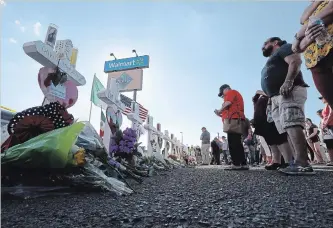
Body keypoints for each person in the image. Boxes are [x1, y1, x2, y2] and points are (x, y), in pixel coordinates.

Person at [261, 37, 313, 175]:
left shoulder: (284, 48)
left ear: (275, 42)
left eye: (265, 43)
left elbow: (295, 61)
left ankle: (303, 163)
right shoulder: (272, 59)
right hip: (276, 97)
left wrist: (288, 81)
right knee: (286, 129)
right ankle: (295, 161)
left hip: (289, 90)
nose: (263, 46)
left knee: (292, 124)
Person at [292, 1, 333, 109]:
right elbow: (302, 19)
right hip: (315, 63)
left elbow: (330, 9)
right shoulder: (314, 5)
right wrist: (303, 40)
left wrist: (299, 35)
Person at [251, 91, 292, 171]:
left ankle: (288, 162)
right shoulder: (258, 99)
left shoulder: (270, 94)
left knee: (280, 140)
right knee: (271, 142)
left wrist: (262, 93)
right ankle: (276, 162)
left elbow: (276, 97)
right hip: (263, 122)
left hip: (272, 119)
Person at [214, 84, 248, 170]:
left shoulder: (231, 92)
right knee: (237, 142)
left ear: (226, 89)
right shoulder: (234, 95)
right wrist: (219, 113)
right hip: (235, 119)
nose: (223, 96)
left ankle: (236, 163)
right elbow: (229, 110)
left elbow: (228, 103)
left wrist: (219, 110)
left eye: (222, 94)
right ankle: (243, 163)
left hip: (233, 120)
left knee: (232, 142)